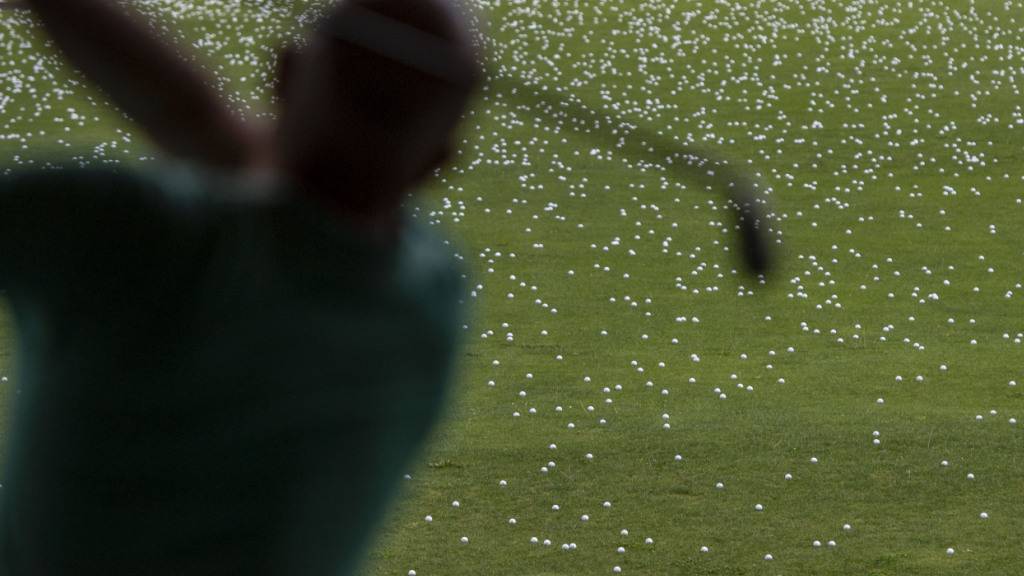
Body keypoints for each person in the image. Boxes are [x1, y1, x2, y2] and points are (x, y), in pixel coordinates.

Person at [0, 0, 481, 574]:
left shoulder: (123, 230)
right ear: (440, 159)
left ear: (283, 72)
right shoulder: (430, 294)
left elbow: (209, 131)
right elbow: (219, 138)